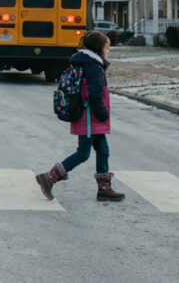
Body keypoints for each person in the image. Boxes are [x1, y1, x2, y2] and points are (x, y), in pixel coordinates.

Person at [35, 31, 125, 202]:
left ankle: (104, 188)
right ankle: (49, 177)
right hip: (91, 117)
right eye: (107, 47)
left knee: (103, 150)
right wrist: (103, 114)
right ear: (99, 48)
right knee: (83, 153)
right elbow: (94, 96)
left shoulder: (83, 64)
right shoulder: (94, 68)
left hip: (89, 117)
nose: (108, 51)